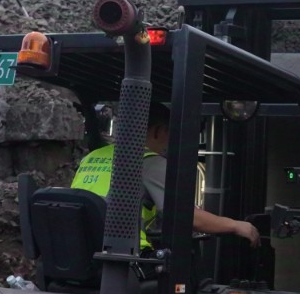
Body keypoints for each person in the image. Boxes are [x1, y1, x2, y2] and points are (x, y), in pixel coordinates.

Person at [71, 103, 260, 248]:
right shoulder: (150, 162)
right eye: (169, 132)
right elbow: (187, 216)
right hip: (122, 258)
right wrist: (235, 225)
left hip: (79, 251)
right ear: (158, 131)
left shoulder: (92, 156)